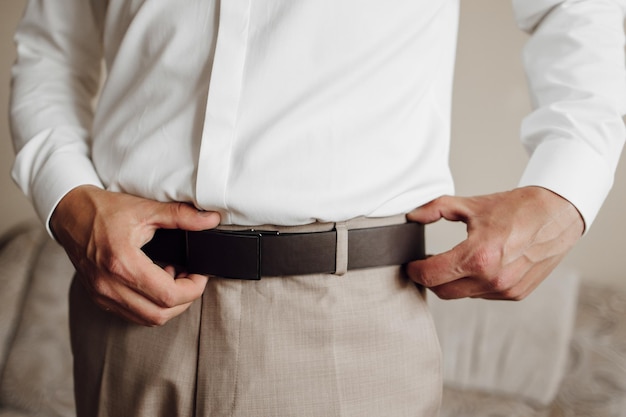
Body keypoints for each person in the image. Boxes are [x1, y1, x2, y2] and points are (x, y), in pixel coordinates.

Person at [9, 0, 625, 416]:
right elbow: (50, 45)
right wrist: (64, 196)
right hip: (127, 304)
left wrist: (565, 193)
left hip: (348, 317)